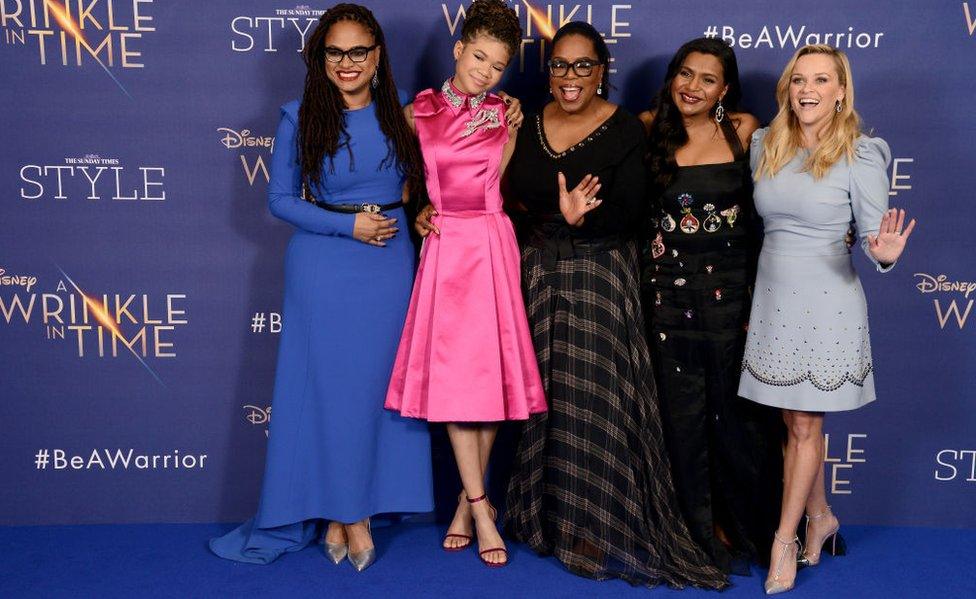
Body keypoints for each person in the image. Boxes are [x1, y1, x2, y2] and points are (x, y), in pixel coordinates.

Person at [496, 22, 727, 589]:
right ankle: (544, 513)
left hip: (600, 276)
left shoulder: (625, 130)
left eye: (582, 65)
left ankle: (593, 523)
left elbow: (630, 210)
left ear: (602, 70)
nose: (568, 77)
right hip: (534, 275)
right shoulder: (523, 122)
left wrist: (579, 219)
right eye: (558, 65)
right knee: (542, 400)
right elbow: (500, 192)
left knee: (591, 402)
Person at [210, 4, 434, 571]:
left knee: (373, 393)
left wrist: (426, 211)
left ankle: (353, 508)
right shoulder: (297, 116)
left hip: (389, 266)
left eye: (358, 51)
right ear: (320, 59)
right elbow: (279, 200)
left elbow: (446, 170)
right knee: (329, 394)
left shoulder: (406, 115)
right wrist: (348, 224)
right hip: (323, 265)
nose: (347, 63)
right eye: (335, 52)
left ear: (377, 55)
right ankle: (345, 515)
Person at [739, 44, 915, 594]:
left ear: (841, 91)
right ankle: (822, 516)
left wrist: (884, 255)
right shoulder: (765, 143)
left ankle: (783, 540)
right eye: (799, 80)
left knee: (806, 424)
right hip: (771, 299)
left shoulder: (861, 155)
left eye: (821, 80)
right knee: (793, 424)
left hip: (827, 303)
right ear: (787, 89)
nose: (808, 90)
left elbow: (872, 236)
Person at [384, 0, 545, 569]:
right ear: (458, 48)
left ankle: (463, 504)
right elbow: (405, 190)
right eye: (478, 56)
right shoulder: (417, 112)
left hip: (492, 243)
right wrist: (419, 215)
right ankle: (481, 508)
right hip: (447, 247)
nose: (485, 71)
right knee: (456, 382)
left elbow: (498, 182)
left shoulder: (508, 113)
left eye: (498, 64)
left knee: (493, 379)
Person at [638, 38, 784, 575]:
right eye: (685, 73)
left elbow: (789, 190)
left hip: (733, 299)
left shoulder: (743, 130)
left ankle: (745, 527)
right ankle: (695, 533)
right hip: (667, 299)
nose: (692, 87)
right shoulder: (649, 125)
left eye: (707, 79)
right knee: (681, 419)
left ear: (725, 90)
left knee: (739, 419)